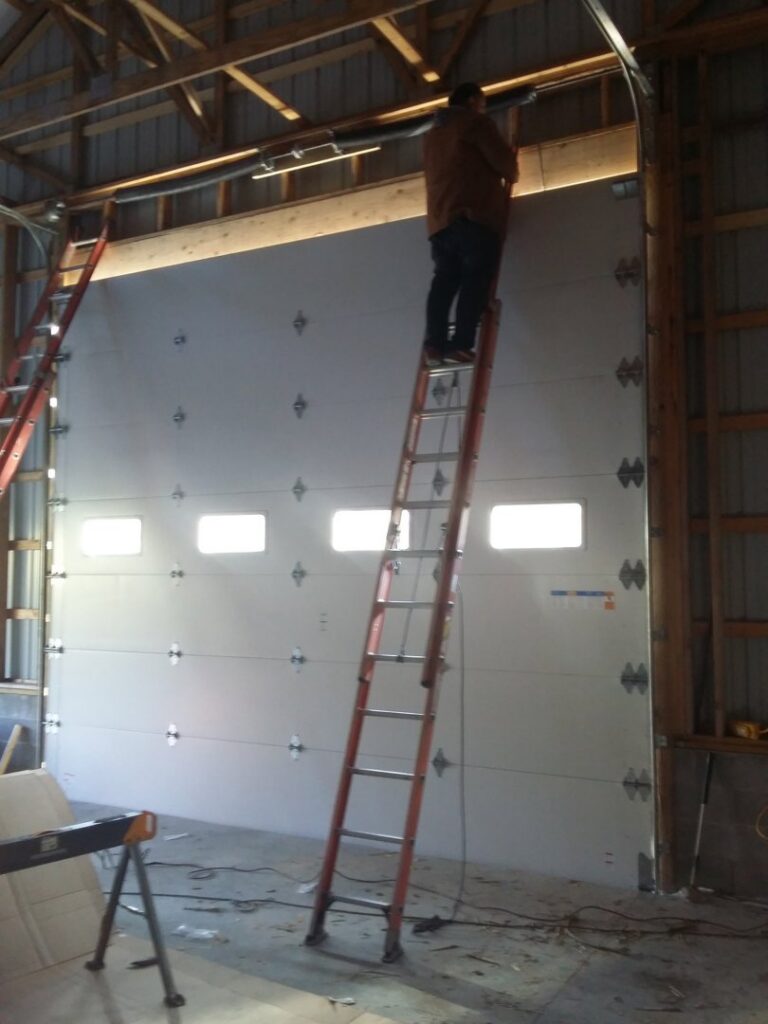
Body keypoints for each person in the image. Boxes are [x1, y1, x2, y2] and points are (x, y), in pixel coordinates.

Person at [422, 82, 518, 366]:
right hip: (472, 215)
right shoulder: (474, 124)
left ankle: (435, 344)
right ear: (474, 101)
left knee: (444, 282)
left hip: (440, 222)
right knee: (476, 278)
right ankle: (461, 343)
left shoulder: (432, 136)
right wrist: (511, 170)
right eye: (483, 104)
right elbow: (506, 166)